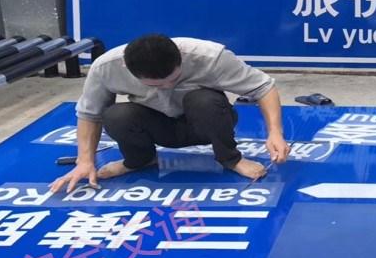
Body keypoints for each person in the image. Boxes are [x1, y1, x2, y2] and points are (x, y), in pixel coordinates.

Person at [50, 34, 287, 193]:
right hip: (156, 126)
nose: (166, 87)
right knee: (115, 115)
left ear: (180, 59)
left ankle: (230, 159)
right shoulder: (106, 68)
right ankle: (140, 160)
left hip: (205, 124)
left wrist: (275, 133)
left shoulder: (209, 57)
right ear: (127, 69)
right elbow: (89, 114)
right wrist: (85, 161)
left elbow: (263, 87)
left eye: (173, 80)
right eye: (155, 85)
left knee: (203, 100)